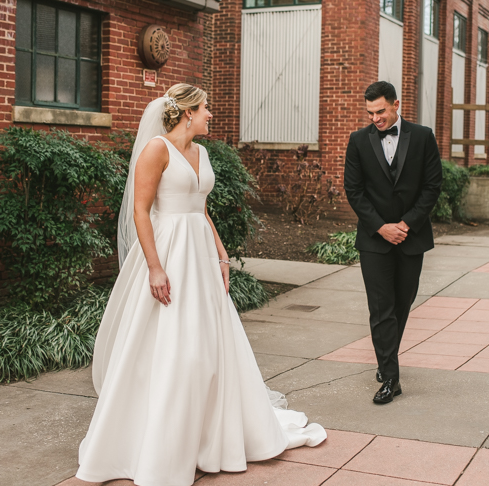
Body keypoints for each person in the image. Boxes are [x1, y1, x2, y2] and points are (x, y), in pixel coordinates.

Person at [75, 84, 326, 486]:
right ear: (187, 112)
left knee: (210, 347)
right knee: (176, 350)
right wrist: (156, 268)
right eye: (207, 108)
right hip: (169, 255)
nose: (211, 114)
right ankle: (163, 446)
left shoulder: (201, 152)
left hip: (201, 257)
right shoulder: (156, 149)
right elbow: (141, 211)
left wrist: (222, 255)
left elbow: (201, 210)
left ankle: (212, 439)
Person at [343, 81, 442, 405]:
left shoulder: (423, 136)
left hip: (411, 238)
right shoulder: (358, 141)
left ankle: (386, 358)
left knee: (402, 304)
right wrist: (381, 227)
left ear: (396, 104)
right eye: (370, 113)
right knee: (381, 308)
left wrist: (406, 224)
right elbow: (354, 190)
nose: (376, 118)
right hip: (375, 239)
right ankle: (390, 377)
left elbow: (432, 186)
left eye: (381, 111)